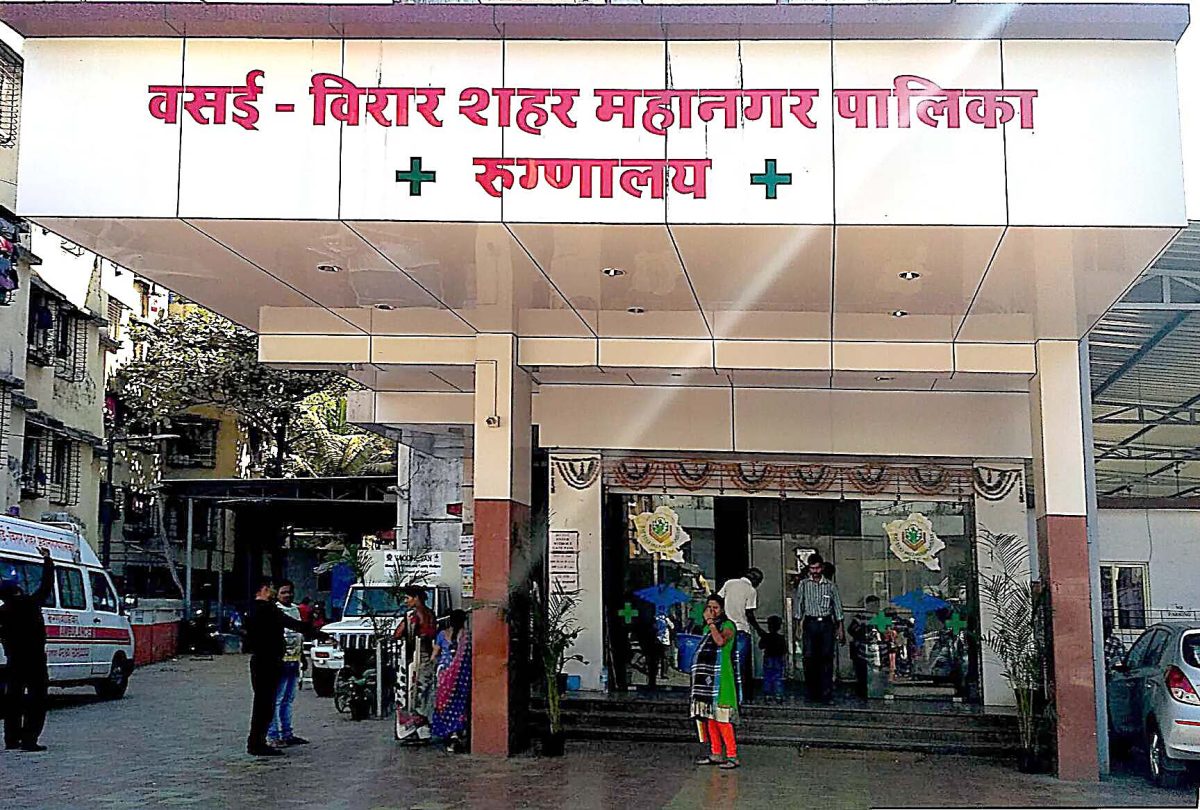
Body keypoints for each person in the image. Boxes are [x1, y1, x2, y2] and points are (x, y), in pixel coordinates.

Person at [244, 577, 329, 756]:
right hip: (269, 661)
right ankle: (258, 743)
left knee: (264, 703)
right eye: (271, 589)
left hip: (261, 660)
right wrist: (320, 634)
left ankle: (258, 741)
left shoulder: (253, 609)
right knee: (266, 704)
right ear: (263, 589)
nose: (273, 592)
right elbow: (292, 624)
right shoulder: (267, 609)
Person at [0, 548, 54, 752]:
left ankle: (11, 739)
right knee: (37, 699)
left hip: (14, 660)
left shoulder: (3, 611)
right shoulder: (30, 604)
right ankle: (29, 739)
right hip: (35, 660)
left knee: (13, 699)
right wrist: (48, 561)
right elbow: (46, 585)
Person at [690, 594, 741, 769]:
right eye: (709, 608)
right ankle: (716, 753)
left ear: (722, 609)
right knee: (710, 718)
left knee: (723, 718)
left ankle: (732, 755)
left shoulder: (728, 626)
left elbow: (720, 641)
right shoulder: (706, 628)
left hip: (722, 677)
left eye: (715, 608)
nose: (712, 611)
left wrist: (711, 623)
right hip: (707, 679)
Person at [792, 552, 844, 703]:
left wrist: (840, 629)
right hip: (810, 623)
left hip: (826, 624)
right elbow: (799, 606)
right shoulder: (804, 584)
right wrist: (797, 627)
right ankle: (811, 693)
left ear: (822, 568)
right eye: (812, 568)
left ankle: (826, 694)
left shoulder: (830, 586)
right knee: (809, 658)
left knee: (826, 658)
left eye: (817, 568)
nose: (814, 571)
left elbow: (837, 608)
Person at [394, 586, 438, 743]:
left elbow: (398, 634)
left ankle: (413, 728)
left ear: (416, 598)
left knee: (412, 693)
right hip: (426, 657)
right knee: (423, 694)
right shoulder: (430, 614)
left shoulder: (413, 615)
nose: (406, 601)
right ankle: (422, 729)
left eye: (408, 598)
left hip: (415, 657)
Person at [268, 580, 307, 747]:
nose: (287, 595)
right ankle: (274, 735)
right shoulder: (273, 610)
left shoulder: (295, 610)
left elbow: (299, 634)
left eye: (289, 592)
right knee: (276, 700)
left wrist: (302, 657)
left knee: (288, 700)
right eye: (283, 592)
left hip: (294, 660)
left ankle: (287, 733)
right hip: (280, 661)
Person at [718, 568, 764, 700]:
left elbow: (718, 600)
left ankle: (728, 692)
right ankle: (743, 695)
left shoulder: (729, 583)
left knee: (726, 661)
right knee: (741, 665)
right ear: (756, 580)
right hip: (741, 629)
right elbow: (749, 613)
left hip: (725, 628)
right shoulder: (751, 590)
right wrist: (759, 630)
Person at [431, 609, 471, 752]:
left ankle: (449, 734)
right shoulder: (467, 636)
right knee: (460, 705)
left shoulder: (442, 635)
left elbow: (434, 656)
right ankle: (457, 734)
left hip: (444, 676)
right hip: (462, 676)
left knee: (445, 705)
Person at [848, 595, 882, 698]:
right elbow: (851, 629)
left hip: (876, 649)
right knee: (862, 673)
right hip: (863, 649)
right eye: (873, 604)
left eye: (877, 605)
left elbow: (885, 630)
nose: (875, 607)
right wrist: (861, 634)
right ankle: (862, 692)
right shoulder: (861, 616)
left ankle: (873, 692)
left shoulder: (880, 616)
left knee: (875, 672)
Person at [758, 615, 787, 699]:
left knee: (767, 676)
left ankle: (768, 694)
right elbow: (784, 650)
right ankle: (778, 694)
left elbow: (761, 646)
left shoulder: (766, 637)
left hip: (768, 658)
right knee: (778, 676)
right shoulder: (781, 638)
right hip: (778, 659)